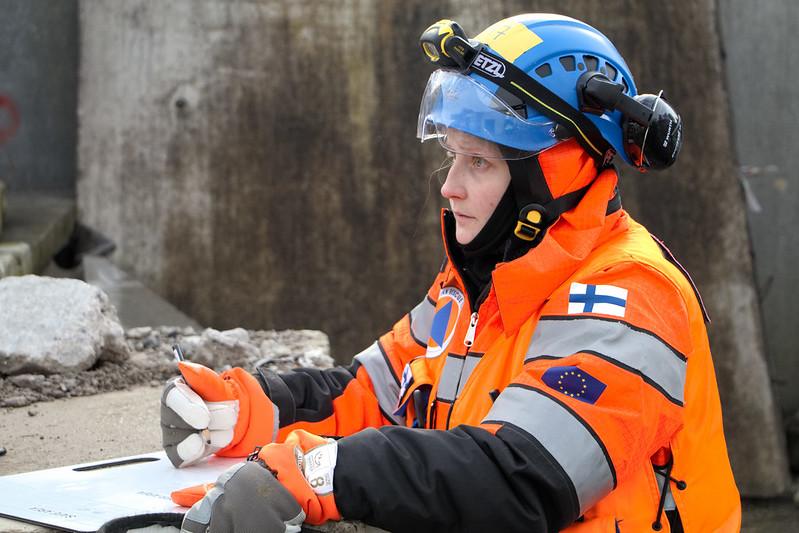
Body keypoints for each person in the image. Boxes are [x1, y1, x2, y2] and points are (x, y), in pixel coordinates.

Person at [160, 13, 741, 533]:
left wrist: (320, 475)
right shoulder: (486, 277)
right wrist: (250, 410)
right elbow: (377, 395)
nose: (450, 186)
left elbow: (521, 478)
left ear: (554, 173)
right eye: (453, 156)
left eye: (480, 162)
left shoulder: (631, 297)